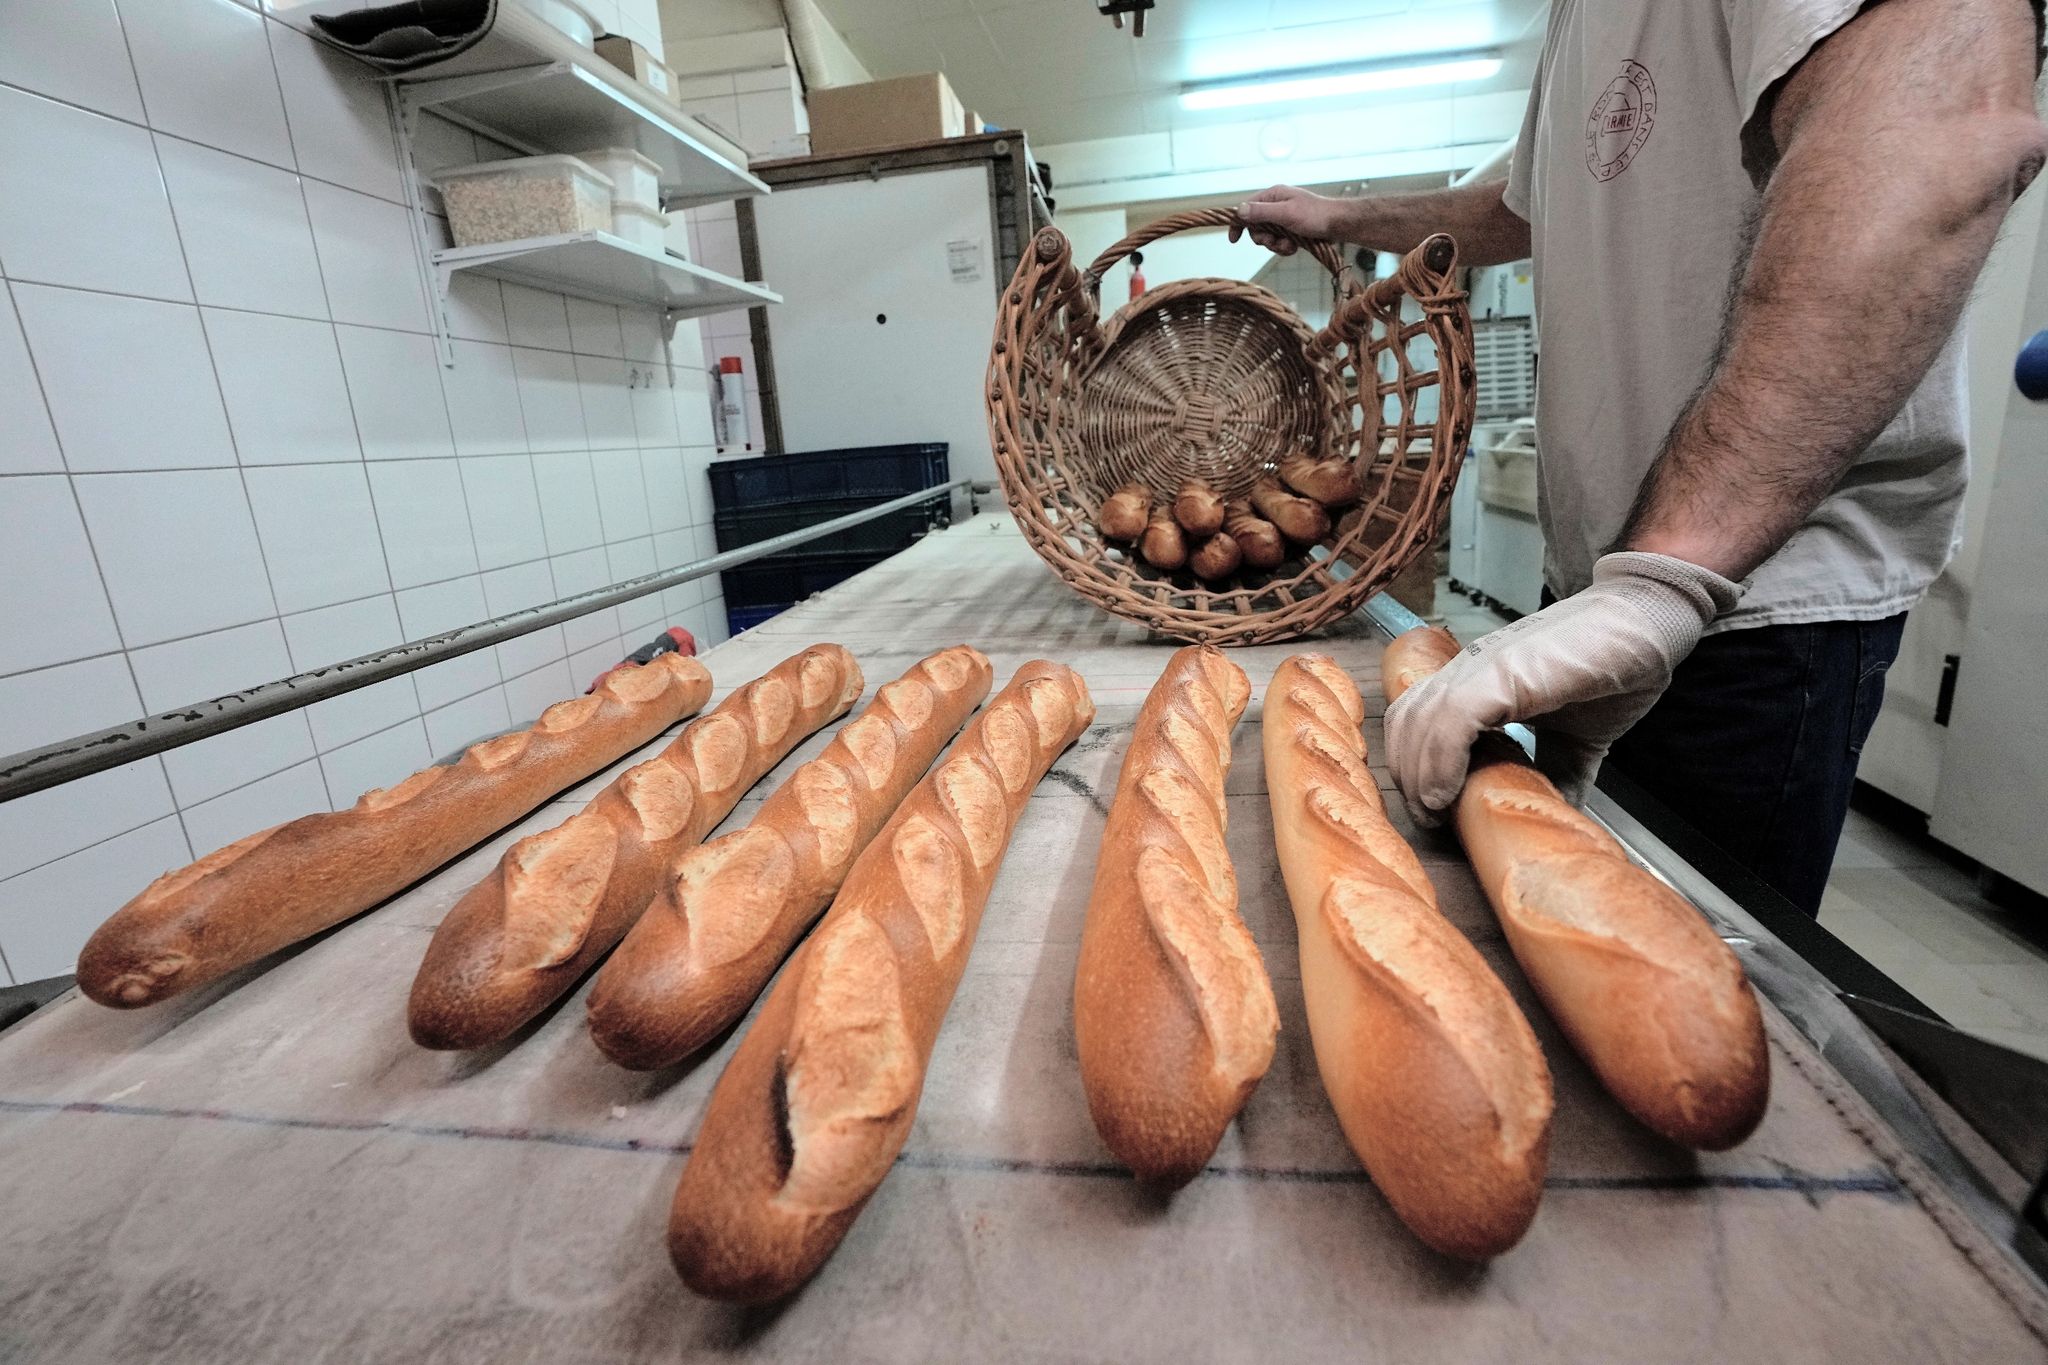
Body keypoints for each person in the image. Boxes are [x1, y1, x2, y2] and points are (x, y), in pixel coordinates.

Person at [1234, 0, 2045, 914]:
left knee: (1699, 979)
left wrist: (1665, 579)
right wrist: (1341, 215)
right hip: (1598, 596)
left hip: (1756, 603)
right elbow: (1515, 206)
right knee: (1569, 921)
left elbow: (1935, 134)